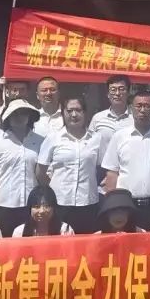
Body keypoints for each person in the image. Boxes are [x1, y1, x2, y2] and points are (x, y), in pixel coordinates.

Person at [101, 90, 150, 231]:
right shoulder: (120, 136)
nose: (143, 110)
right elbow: (112, 173)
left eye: (147, 106)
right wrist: (112, 204)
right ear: (131, 109)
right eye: (139, 106)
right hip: (127, 205)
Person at [37, 95, 100, 235]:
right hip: (60, 202)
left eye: (78, 110)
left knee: (86, 243)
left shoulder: (96, 139)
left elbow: (102, 168)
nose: (74, 114)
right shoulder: (53, 138)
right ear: (63, 113)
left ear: (85, 112)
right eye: (69, 110)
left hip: (88, 202)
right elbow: (41, 171)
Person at [0, 99, 44, 238]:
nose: (19, 117)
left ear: (30, 116)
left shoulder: (40, 141)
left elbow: (42, 174)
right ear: (8, 117)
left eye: (23, 113)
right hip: (3, 206)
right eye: (15, 114)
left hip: (32, 206)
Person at [94, 188, 143, 299]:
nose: (118, 216)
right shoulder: (97, 236)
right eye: (113, 211)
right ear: (106, 214)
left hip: (132, 279)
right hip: (107, 280)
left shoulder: (140, 233)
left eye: (122, 211)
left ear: (129, 214)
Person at [87, 75, 133, 165]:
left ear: (128, 93)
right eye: (113, 90)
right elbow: (89, 146)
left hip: (128, 167)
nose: (117, 93)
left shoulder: (135, 118)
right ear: (108, 94)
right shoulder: (98, 118)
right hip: (102, 168)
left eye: (121, 89)